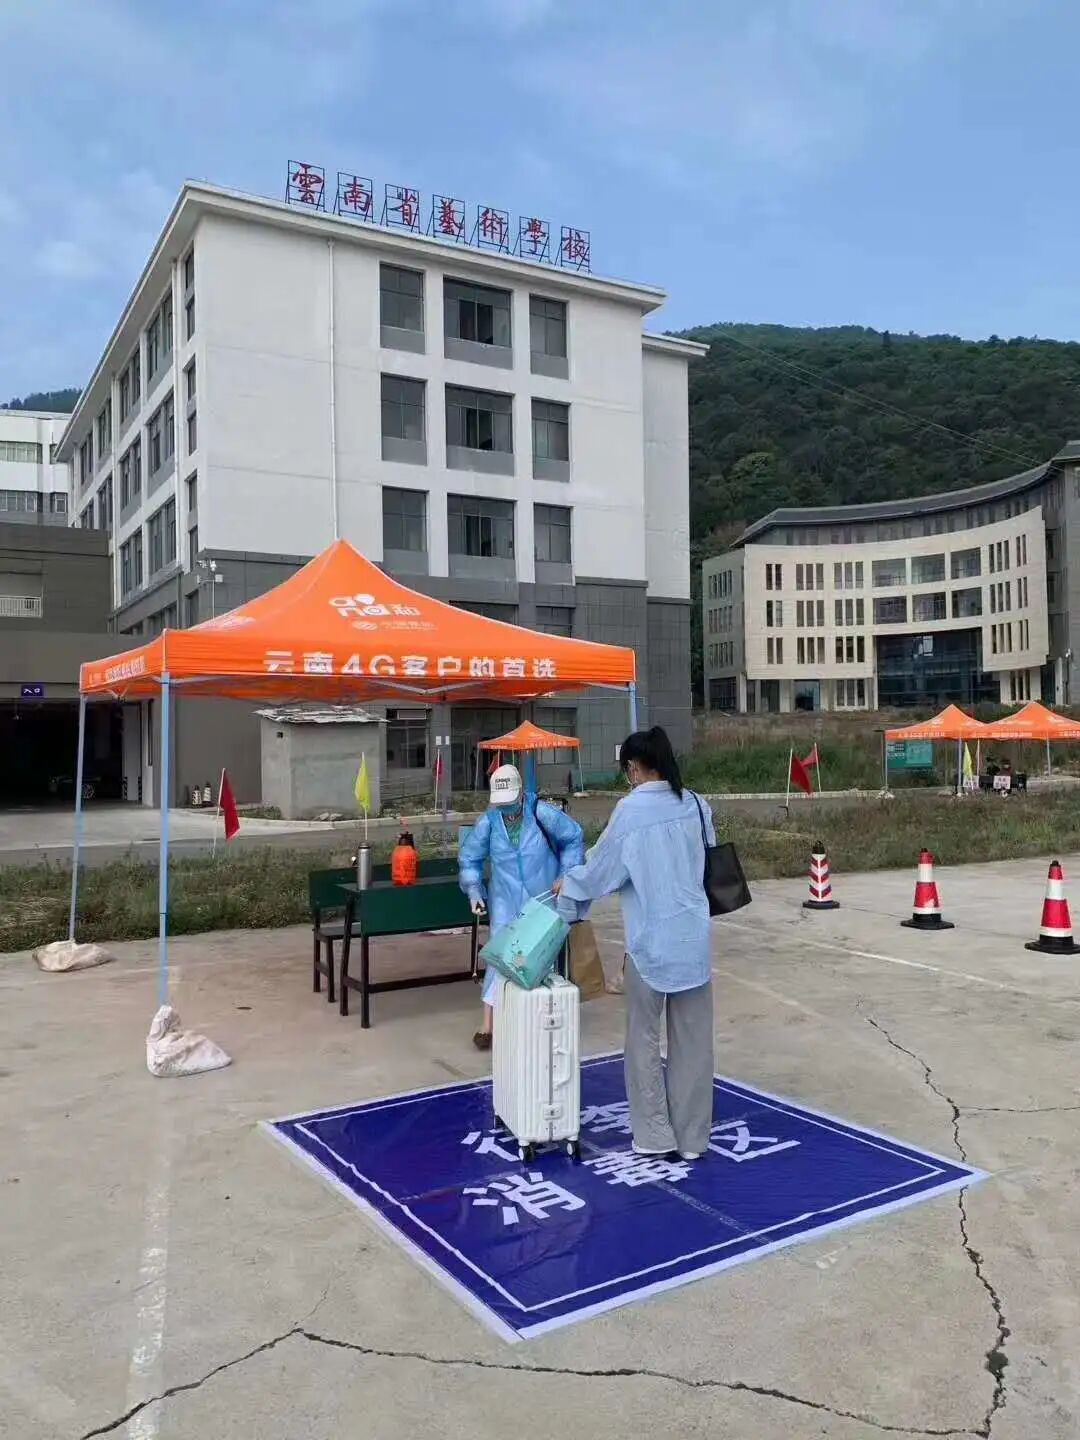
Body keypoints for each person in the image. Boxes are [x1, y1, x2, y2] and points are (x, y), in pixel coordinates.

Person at [554, 726, 715, 1161]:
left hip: (650, 944)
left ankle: (654, 1135)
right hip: (693, 940)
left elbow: (601, 870)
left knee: (643, 1039)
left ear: (634, 767)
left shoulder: (631, 811)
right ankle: (693, 1140)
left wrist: (569, 887)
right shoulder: (697, 804)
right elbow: (705, 860)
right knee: (694, 1044)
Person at [459, 763, 584, 1051]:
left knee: (541, 957)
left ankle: (538, 1018)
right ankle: (488, 1023)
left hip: (543, 895)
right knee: (501, 955)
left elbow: (573, 838)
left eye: (510, 802)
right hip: (504, 896)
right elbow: (469, 858)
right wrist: (474, 889)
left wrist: (566, 874)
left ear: (520, 794)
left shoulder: (543, 813)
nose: (505, 808)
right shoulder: (489, 822)